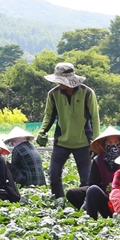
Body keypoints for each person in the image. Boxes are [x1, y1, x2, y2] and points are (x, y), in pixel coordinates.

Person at [35, 62, 101, 200]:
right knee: (53, 175)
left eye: (62, 81)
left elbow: (95, 118)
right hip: (61, 142)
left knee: (86, 179)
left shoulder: (87, 93)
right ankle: (59, 201)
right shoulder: (53, 94)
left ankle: (84, 204)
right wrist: (42, 132)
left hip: (83, 143)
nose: (60, 84)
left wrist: (96, 142)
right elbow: (49, 115)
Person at [65, 126, 120, 218]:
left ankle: (93, 212)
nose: (113, 145)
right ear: (104, 145)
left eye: (116, 142)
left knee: (93, 190)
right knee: (74, 193)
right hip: (102, 193)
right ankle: (92, 207)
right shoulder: (98, 160)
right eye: (110, 142)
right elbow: (93, 183)